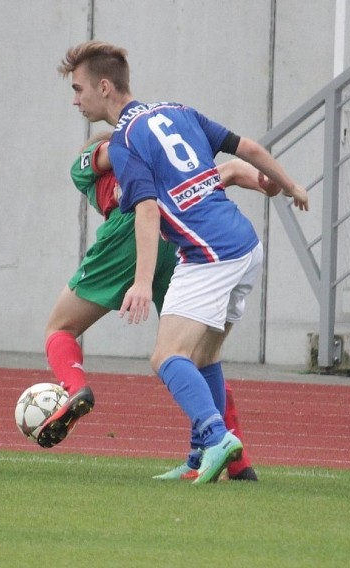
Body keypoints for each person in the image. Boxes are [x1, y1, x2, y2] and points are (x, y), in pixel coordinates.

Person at [58, 40, 309, 484]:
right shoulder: (177, 110)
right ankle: (202, 459)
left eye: (79, 89)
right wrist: (290, 185)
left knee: (166, 356)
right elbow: (244, 147)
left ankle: (216, 437)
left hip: (210, 254)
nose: (75, 99)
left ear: (104, 86)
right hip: (245, 246)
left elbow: (148, 211)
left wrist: (139, 283)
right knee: (205, 354)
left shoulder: (127, 142)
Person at [38, 131, 276, 481]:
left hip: (133, 233)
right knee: (199, 356)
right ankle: (234, 461)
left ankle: (74, 388)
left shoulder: (89, 164)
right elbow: (232, 171)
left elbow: (104, 153)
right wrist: (265, 180)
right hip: (178, 239)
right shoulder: (167, 164)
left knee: (61, 327)